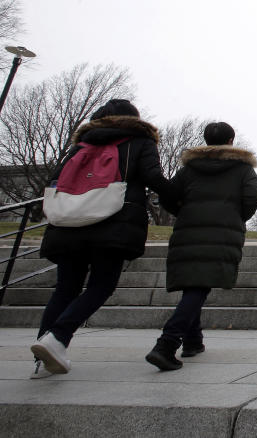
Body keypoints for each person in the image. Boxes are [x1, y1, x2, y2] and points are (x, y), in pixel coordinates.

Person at [30, 99, 168, 378]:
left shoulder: (81, 144)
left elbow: (56, 180)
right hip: (112, 221)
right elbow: (153, 176)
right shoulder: (140, 141)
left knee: (65, 288)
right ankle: (56, 337)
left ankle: (43, 356)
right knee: (101, 285)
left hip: (69, 221)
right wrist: (178, 195)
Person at [145, 121, 257, 371]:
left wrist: (183, 212)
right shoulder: (242, 169)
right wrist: (236, 216)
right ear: (231, 140)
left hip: (188, 229)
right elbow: (253, 197)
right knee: (198, 287)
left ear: (206, 140)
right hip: (222, 232)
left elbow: (168, 194)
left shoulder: (189, 169)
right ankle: (166, 344)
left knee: (195, 284)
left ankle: (193, 341)